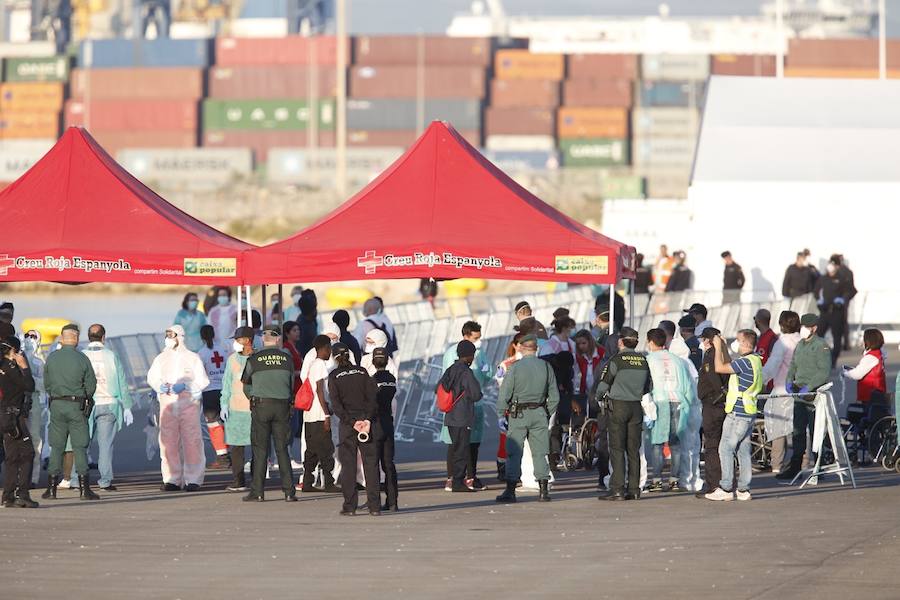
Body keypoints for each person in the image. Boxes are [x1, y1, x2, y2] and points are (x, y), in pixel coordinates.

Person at [496, 334, 559, 503]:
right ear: (536, 348)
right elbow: (554, 396)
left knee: (514, 452)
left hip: (519, 414)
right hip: (539, 413)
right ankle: (543, 491)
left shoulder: (515, 368)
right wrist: (545, 412)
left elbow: (505, 393)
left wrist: (501, 414)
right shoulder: (546, 367)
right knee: (540, 452)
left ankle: (510, 491)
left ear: (522, 348)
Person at [147, 324, 209, 492]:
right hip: (167, 405)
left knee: (192, 442)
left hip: (189, 406)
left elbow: (202, 381)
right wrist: (159, 385)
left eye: (171, 335)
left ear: (180, 337)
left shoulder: (193, 358)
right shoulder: (161, 358)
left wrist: (187, 386)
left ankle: (193, 479)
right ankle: (172, 479)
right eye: (166, 335)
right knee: (168, 443)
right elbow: (152, 377)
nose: (168, 338)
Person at [43, 324, 100, 501]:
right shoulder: (82, 358)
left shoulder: (51, 358)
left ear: (61, 338)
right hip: (76, 407)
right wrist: (83, 396)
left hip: (57, 406)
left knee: (56, 447)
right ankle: (85, 490)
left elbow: (47, 384)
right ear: (75, 339)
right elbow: (91, 385)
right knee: (80, 447)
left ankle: (51, 490)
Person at [594, 327, 651, 501]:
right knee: (633, 449)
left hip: (618, 406)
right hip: (636, 406)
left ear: (620, 342)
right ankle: (634, 489)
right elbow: (649, 386)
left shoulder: (616, 360)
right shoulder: (643, 360)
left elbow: (603, 386)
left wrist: (599, 397)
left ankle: (617, 489)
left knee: (617, 448)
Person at [705, 330, 763, 502]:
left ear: (745, 343)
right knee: (743, 450)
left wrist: (717, 348)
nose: (735, 343)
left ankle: (726, 487)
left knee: (725, 448)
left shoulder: (744, 362)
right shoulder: (754, 360)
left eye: (738, 340)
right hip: (748, 411)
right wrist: (722, 347)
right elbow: (730, 364)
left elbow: (720, 367)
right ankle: (744, 489)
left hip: (737, 413)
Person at [241, 325, 296, 502]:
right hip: (282, 406)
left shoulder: (254, 359)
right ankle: (289, 492)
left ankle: (257, 491)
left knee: (260, 450)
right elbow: (292, 383)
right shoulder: (287, 359)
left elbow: (245, 383)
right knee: (282, 450)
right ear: (278, 339)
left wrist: (253, 396)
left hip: (261, 406)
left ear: (263, 339)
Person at [776, 314, 832, 480]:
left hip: (814, 395)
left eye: (807, 326)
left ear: (814, 328)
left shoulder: (821, 346)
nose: (804, 329)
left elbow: (824, 371)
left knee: (816, 431)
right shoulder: (800, 344)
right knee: (797, 432)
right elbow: (793, 365)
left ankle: (818, 467)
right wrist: (788, 381)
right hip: (799, 394)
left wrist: (810, 386)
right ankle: (795, 467)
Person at [329, 342, 380, 515]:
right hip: (366, 423)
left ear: (334, 357)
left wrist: (352, 422)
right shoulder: (362, 372)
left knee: (349, 465)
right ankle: (375, 506)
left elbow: (336, 406)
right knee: (371, 464)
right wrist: (366, 419)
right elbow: (372, 398)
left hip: (348, 425)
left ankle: (350, 506)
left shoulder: (334, 376)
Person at [439, 321, 491, 491]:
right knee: (458, 444)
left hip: (460, 408)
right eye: (476, 338)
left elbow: (487, 372)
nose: (479, 342)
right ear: (467, 335)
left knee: (469, 443)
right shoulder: (458, 357)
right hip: (463, 406)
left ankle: (469, 476)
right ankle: (455, 478)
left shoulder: (478, 353)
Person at [82, 324, 133, 492]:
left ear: (89, 337)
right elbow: (122, 382)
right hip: (109, 404)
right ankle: (105, 481)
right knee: (105, 445)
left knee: (82, 443)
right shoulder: (111, 355)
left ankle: (77, 479)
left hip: (88, 405)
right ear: (103, 337)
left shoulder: (82, 356)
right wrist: (127, 406)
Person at [645, 328, 695, 493]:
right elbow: (687, 385)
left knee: (657, 444)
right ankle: (674, 480)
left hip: (659, 402)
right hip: (678, 402)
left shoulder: (649, 360)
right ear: (665, 342)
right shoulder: (678, 360)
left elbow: (647, 384)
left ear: (650, 342)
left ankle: (657, 480)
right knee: (676, 443)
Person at [761, 311, 801, 475]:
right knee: (799, 427)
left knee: (778, 428)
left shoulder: (782, 342)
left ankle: (777, 463)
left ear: (781, 324)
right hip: (800, 390)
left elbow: (772, 366)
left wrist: (760, 380)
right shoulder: (802, 341)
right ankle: (803, 461)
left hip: (781, 389)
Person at [1, 336, 38, 508]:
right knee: (28, 453)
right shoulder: (10, 368)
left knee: (12, 456)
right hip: (14, 417)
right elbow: (29, 385)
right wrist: (24, 366)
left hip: (5, 415)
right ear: (14, 351)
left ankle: (8, 496)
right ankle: (22, 493)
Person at [300, 335, 340, 493]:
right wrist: (327, 415)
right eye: (329, 348)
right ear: (323, 348)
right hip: (318, 414)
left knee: (311, 449)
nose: (330, 351)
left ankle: (308, 481)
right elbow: (319, 391)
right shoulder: (320, 365)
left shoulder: (312, 364)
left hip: (309, 414)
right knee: (325, 448)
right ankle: (329, 482)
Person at [220, 326, 255, 492]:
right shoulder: (232, 359)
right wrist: (224, 404)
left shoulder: (257, 358)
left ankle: (257, 479)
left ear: (247, 340)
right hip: (234, 410)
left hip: (253, 410)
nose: (235, 343)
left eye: (238, 339)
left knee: (257, 446)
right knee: (236, 447)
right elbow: (226, 384)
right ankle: (238, 480)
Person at [695, 327, 729, 497]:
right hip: (720, 405)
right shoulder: (723, 354)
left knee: (711, 446)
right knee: (722, 446)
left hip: (713, 405)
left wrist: (717, 396)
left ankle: (714, 485)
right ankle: (725, 482)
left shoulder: (710, 357)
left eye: (703, 339)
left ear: (708, 340)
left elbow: (715, 381)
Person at [197, 325, 231, 470]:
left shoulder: (201, 353)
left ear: (201, 337)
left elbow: (200, 375)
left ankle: (222, 458)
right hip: (224, 390)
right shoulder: (223, 349)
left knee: (213, 426)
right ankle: (229, 454)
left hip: (209, 391)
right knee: (226, 423)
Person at [814, 258, 855, 367]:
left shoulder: (842, 278)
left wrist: (843, 299)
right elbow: (816, 291)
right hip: (824, 311)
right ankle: (818, 359)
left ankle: (833, 360)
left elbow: (851, 291)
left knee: (837, 337)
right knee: (818, 335)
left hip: (837, 311)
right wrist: (819, 300)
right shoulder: (823, 278)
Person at [371, 347, 399, 511]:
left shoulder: (372, 379)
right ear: (387, 360)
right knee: (389, 464)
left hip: (376, 423)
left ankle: (374, 500)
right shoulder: (391, 379)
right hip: (388, 422)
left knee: (374, 464)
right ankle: (393, 500)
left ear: (374, 362)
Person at [21, 330, 46, 488]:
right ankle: (19, 475)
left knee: (35, 439)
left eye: (34, 336)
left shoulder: (40, 362)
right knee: (17, 440)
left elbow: (44, 385)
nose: (30, 339)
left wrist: (29, 380)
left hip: (35, 401)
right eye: (27, 336)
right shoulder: (16, 359)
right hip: (18, 400)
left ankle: (33, 478)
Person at [841, 328, 887, 404]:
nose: (862, 341)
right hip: (878, 393)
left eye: (864, 339)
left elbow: (857, 374)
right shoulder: (879, 353)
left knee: (868, 414)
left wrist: (846, 373)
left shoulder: (870, 357)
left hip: (870, 394)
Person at [296, 294, 319, 358]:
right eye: (315, 308)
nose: (316, 311)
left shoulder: (312, 320)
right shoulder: (302, 326)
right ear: (312, 311)